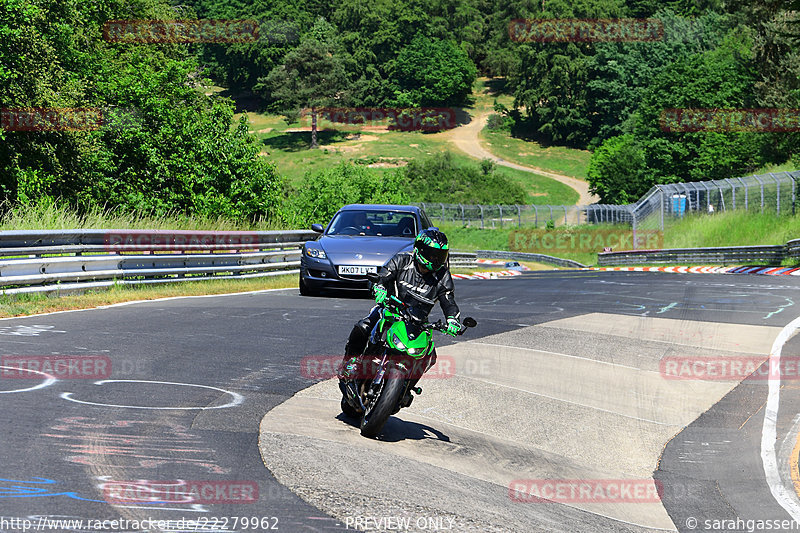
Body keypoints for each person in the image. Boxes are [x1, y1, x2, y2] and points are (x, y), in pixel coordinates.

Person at [338, 227, 462, 384]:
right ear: (419, 250)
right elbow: (382, 276)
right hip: (390, 310)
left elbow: (448, 301)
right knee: (363, 327)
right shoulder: (402, 261)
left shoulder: (443, 276)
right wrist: (379, 288)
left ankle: (407, 386)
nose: (436, 259)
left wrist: (452, 320)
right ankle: (350, 363)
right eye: (432, 255)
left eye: (440, 256)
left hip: (418, 322)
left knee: (430, 355)